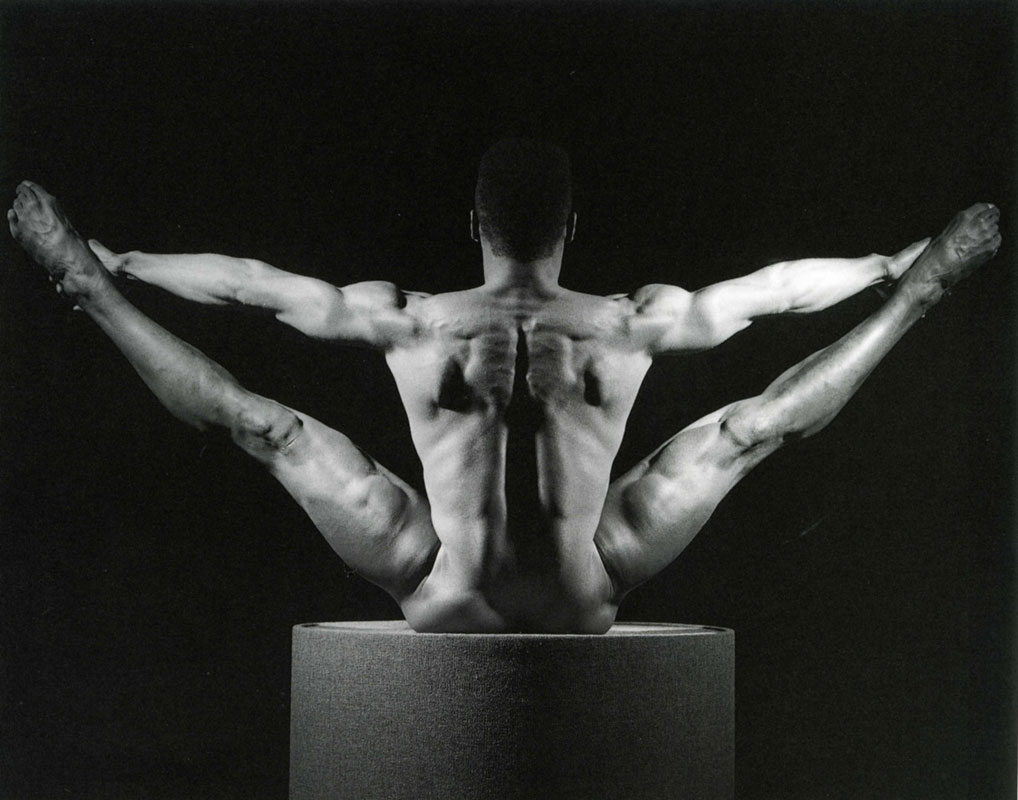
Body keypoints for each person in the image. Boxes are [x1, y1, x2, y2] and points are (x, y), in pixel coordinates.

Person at [7, 139, 1001, 633]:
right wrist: (889, 267)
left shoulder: (409, 316)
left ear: (470, 224)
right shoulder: (629, 320)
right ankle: (919, 299)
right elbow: (778, 290)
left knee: (267, 428)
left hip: (439, 585)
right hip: (583, 586)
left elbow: (248, 284)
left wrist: (117, 259)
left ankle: (89, 292)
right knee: (750, 430)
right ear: (573, 227)